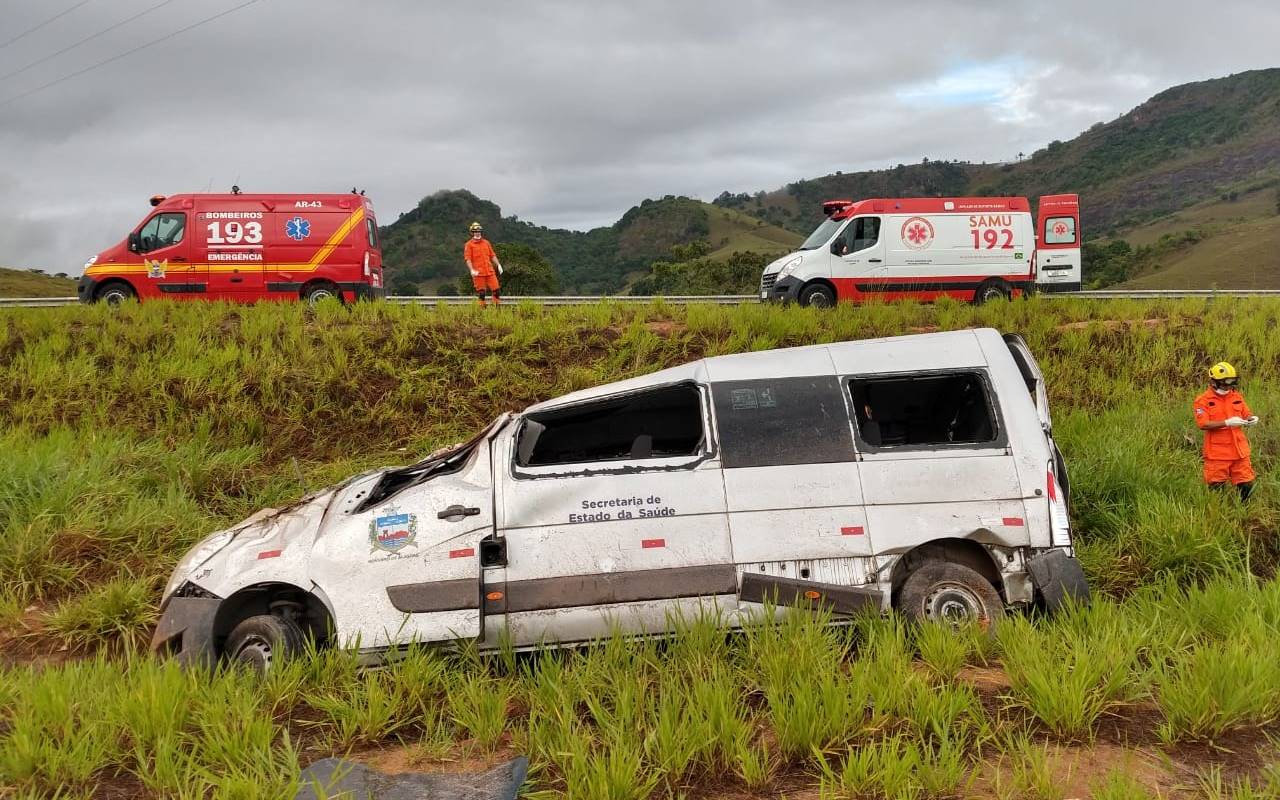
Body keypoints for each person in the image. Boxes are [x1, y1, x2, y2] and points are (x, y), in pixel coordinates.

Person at [1193, 362, 1260, 501]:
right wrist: (1227, 423)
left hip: (1239, 451)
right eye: (1225, 384)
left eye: (1232, 383)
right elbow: (1203, 424)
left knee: (1246, 484)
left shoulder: (1236, 396)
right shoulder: (1203, 401)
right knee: (1216, 488)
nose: (1229, 387)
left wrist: (1251, 419)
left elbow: (1246, 413)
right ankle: (1218, 514)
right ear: (1214, 382)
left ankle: (1246, 512)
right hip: (1218, 453)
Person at [463, 222, 502, 306]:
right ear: (472, 233)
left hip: (489, 271)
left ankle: (496, 309)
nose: (477, 233)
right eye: (475, 231)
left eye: (479, 231)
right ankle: (482, 311)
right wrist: (471, 269)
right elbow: (467, 259)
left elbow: (492, 255)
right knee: (481, 293)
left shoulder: (486, 243)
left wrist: (498, 265)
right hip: (478, 273)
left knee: (496, 291)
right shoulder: (469, 245)